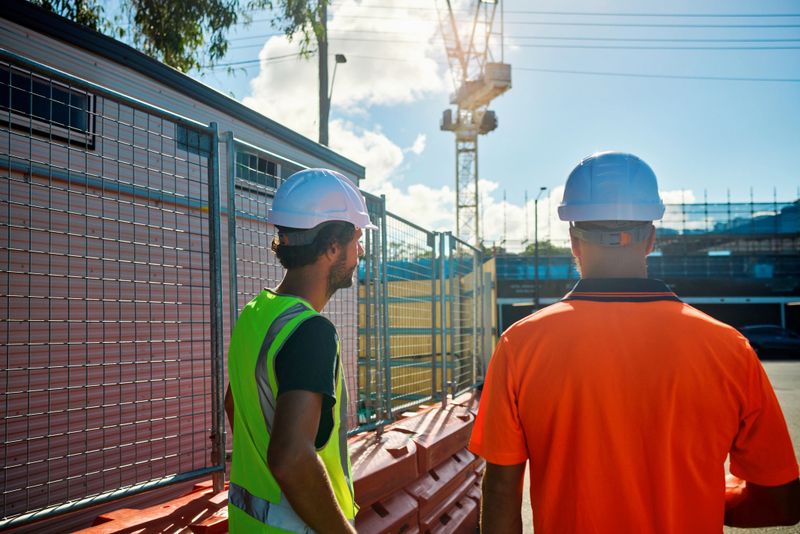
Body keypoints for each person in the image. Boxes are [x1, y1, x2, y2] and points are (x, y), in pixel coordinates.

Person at [469, 151, 799, 533]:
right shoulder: (729, 347)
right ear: (651, 240)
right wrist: (701, 499)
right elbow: (782, 502)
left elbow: (501, 493)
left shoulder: (520, 345)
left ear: (574, 241)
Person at [224, 168, 376, 533]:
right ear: (332, 247)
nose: (361, 250)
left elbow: (235, 404)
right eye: (356, 238)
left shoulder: (255, 313)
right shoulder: (311, 331)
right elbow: (292, 458)